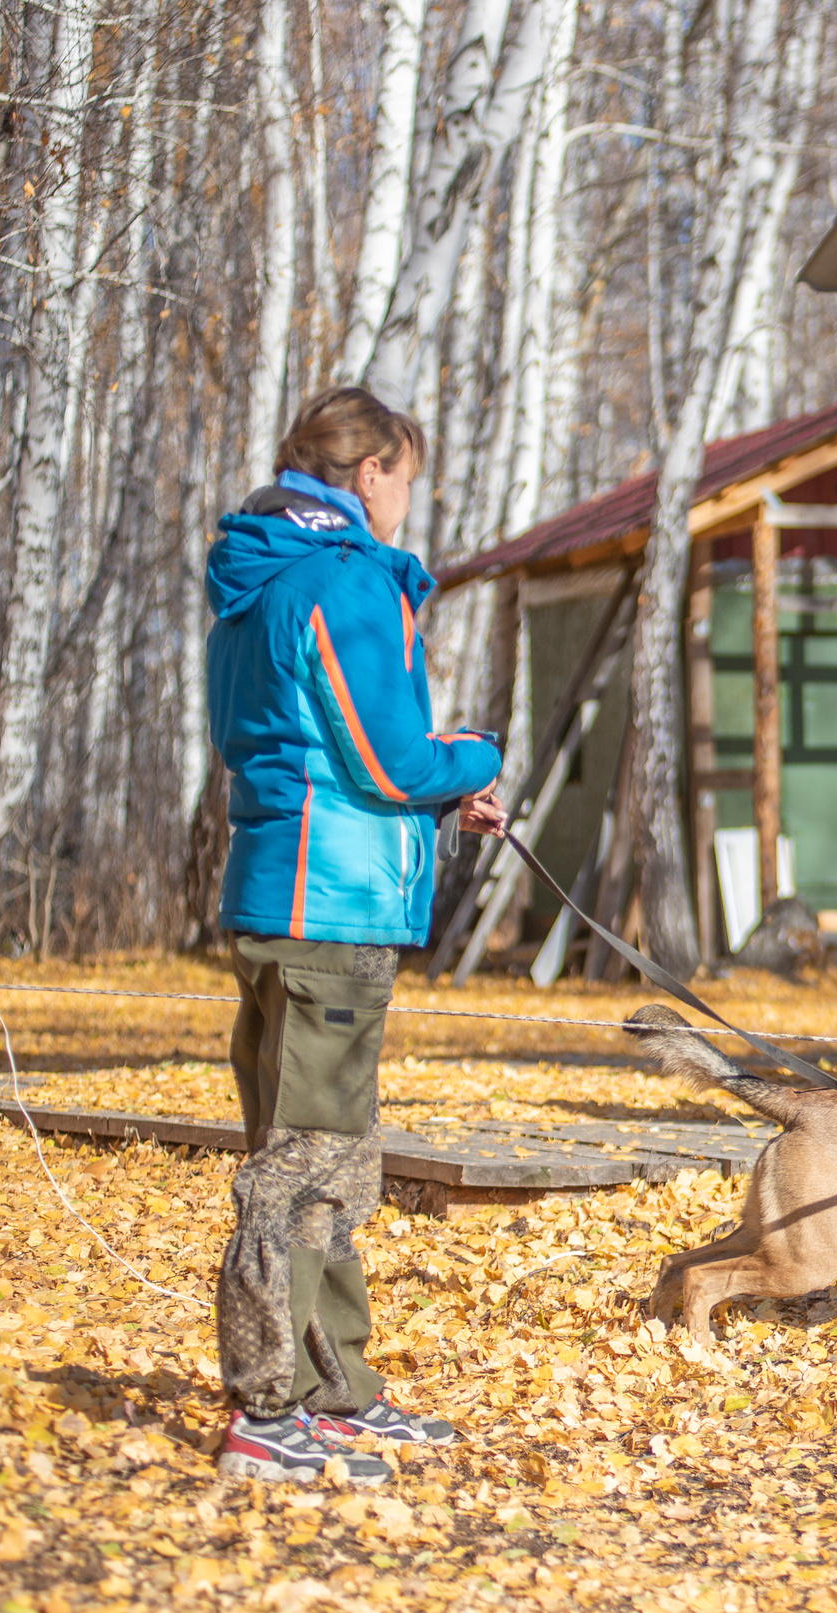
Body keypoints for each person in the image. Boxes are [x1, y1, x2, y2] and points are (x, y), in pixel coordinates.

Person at [205, 386, 507, 1482]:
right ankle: (265, 1409)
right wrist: (472, 758)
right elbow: (387, 756)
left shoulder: (263, 576)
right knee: (303, 1169)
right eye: (407, 478)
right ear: (370, 471)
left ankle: (333, 1389)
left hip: (290, 889)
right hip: (325, 905)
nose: (407, 500)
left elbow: (308, 746)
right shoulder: (339, 579)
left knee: (325, 1163)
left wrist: (433, 806)